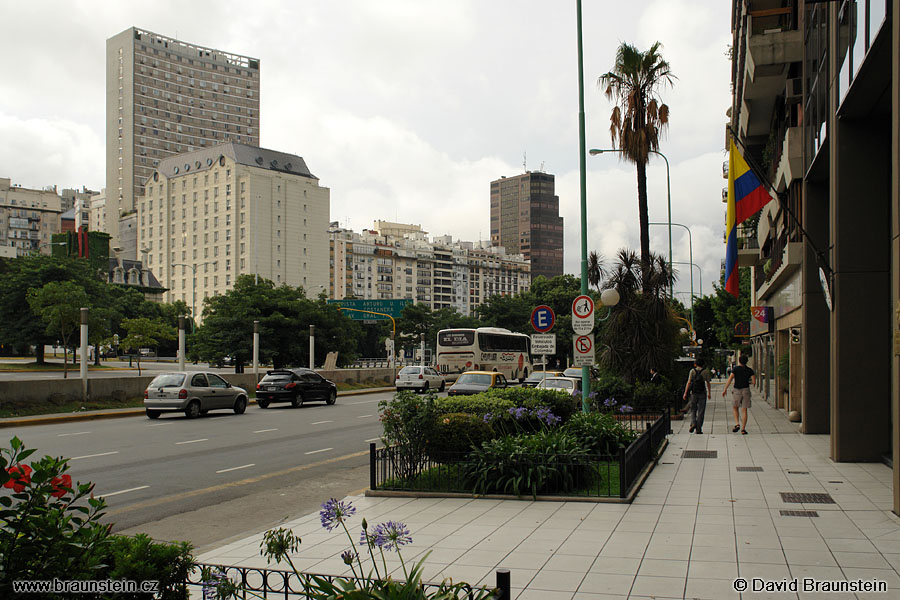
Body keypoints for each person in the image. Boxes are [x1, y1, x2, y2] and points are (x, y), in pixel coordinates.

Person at [722, 354, 755, 434]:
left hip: (737, 390)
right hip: (746, 390)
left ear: (739, 361)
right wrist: (748, 382)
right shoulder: (750, 370)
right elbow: (754, 382)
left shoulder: (735, 369)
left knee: (735, 407)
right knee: (744, 410)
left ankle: (737, 424)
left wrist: (725, 389)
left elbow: (730, 379)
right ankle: (743, 429)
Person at [682, 358, 711, 434]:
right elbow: (708, 383)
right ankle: (699, 429)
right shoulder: (706, 372)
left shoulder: (692, 371)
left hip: (694, 393)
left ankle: (693, 423)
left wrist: (685, 392)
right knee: (701, 411)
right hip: (702, 393)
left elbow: (688, 382)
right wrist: (709, 393)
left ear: (696, 364)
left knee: (693, 409)